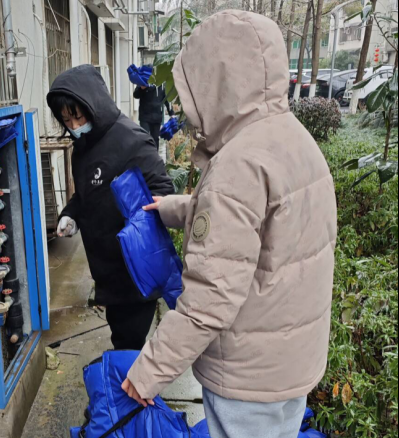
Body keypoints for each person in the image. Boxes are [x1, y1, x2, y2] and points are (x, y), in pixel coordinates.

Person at [122, 10, 337, 438]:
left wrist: (148, 372)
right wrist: (175, 207)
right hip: (292, 364)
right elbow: (254, 222)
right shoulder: (294, 138)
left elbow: (209, 299)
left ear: (215, 82)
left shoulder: (237, 165)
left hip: (248, 377)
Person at [47, 65, 174, 351]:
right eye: (66, 120)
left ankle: (132, 379)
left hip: (134, 269)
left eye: (78, 116)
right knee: (122, 339)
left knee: (129, 345)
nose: (74, 126)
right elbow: (88, 193)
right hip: (107, 271)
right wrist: (72, 214)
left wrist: (130, 221)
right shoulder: (83, 146)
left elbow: (163, 191)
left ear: (94, 105)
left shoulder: (131, 140)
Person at [133, 78, 174, 149]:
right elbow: (136, 95)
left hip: (156, 117)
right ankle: (145, 154)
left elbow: (166, 100)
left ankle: (154, 155)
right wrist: (141, 88)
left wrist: (171, 113)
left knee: (155, 139)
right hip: (144, 116)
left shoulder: (162, 84)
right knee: (144, 137)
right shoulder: (144, 80)